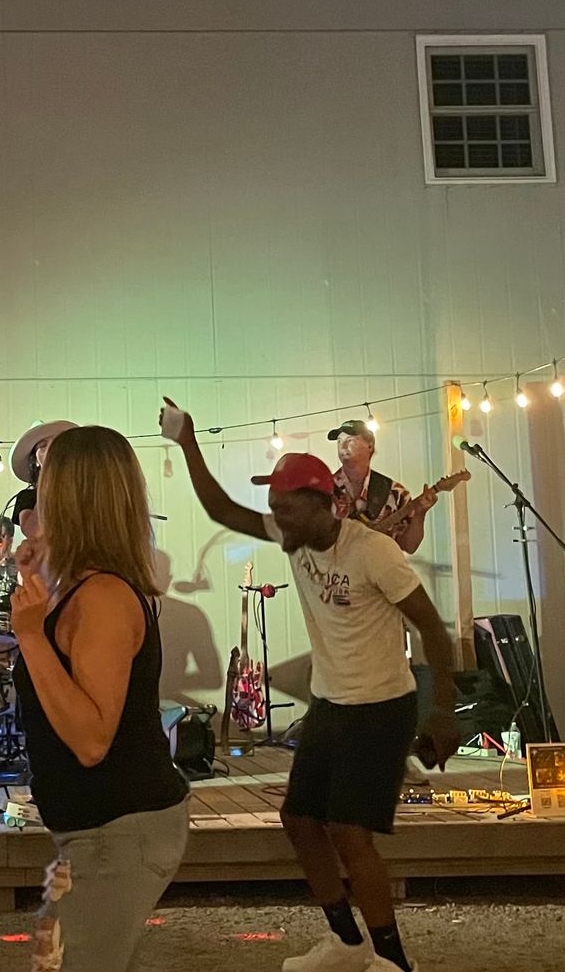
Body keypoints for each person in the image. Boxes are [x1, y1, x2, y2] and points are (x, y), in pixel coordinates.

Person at [165, 401, 457, 972]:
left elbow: (431, 627)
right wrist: (187, 443)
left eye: (286, 508)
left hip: (381, 706)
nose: (277, 519)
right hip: (331, 702)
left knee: (349, 831)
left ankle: (394, 961)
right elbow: (222, 508)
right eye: (273, 508)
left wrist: (443, 710)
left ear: (324, 504)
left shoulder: (372, 552)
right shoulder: (293, 537)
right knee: (299, 821)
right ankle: (347, 943)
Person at [8, 426, 191, 972]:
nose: (36, 499)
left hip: (118, 830)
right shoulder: (80, 586)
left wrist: (30, 636)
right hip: (94, 829)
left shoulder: (105, 597)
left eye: (47, 485)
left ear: (71, 497)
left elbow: (91, 740)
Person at [327, 420, 436, 556]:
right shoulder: (323, 491)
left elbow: (409, 546)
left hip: (381, 568)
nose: (343, 446)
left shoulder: (395, 492)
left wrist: (420, 514)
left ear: (370, 446)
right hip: (337, 568)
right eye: (339, 441)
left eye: (350, 440)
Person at [8, 420, 78, 539]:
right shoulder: (27, 497)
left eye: (55, 444)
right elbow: (33, 532)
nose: (51, 448)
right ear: (35, 459)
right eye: (42, 445)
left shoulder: (77, 491)